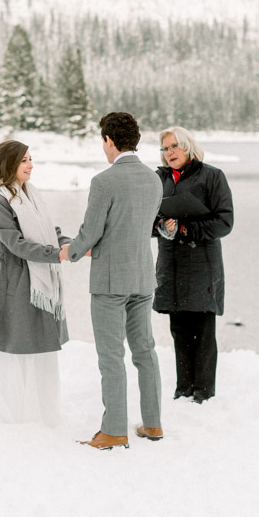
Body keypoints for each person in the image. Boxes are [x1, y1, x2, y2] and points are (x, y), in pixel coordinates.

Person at [60, 111, 163, 449]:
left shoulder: (104, 181)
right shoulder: (153, 179)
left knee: (111, 356)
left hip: (109, 282)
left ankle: (115, 430)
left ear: (108, 140)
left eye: (102, 141)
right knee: (145, 351)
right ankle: (152, 425)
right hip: (143, 277)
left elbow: (91, 232)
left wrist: (70, 251)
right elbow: (134, 226)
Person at [0, 139, 70, 427]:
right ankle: (13, 415)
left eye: (31, 159)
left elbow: (50, 232)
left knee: (41, 348)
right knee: (18, 348)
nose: (31, 165)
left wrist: (72, 245)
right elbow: (18, 245)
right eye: (24, 160)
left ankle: (40, 412)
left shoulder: (31, 195)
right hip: (17, 286)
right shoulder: (0, 203)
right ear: (9, 164)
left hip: (39, 283)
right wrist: (56, 254)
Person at [153, 126, 234, 403]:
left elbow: (225, 222)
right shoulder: (158, 179)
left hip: (202, 265)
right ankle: (183, 389)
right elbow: (148, 220)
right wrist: (162, 226)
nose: (169, 152)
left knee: (202, 329)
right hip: (171, 263)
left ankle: (202, 393)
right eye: (165, 149)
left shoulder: (212, 176)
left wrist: (186, 229)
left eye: (174, 146)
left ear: (187, 146)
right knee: (179, 329)